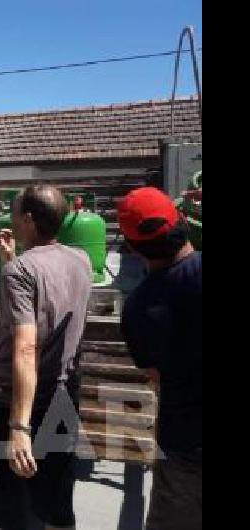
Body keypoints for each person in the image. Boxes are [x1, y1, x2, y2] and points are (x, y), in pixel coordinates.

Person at [0, 185, 92, 530]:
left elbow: (26, 346)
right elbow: (49, 295)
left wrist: (19, 426)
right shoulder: (81, 258)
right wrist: (12, 259)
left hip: (21, 400)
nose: (12, 218)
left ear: (28, 219)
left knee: (18, 505)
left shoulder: (19, 273)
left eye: (15, 212)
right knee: (58, 494)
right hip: (65, 391)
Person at [117, 187, 202, 530]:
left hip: (185, 447)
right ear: (182, 221)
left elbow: (156, 377)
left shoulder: (137, 309)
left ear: (133, 248)